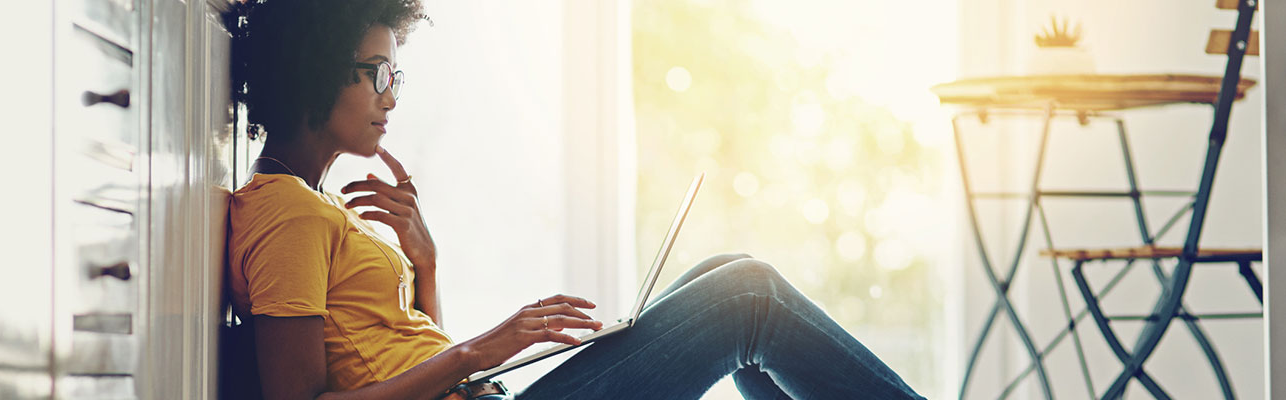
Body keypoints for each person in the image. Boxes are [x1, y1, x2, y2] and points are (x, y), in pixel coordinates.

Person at [225, 0, 925, 399]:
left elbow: (402, 357)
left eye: (396, 74)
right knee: (749, 297)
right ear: (313, 72)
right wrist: (475, 351)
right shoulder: (287, 213)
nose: (392, 96)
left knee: (729, 267)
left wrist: (427, 268)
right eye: (377, 74)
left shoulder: (319, 206)